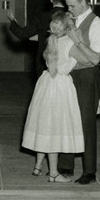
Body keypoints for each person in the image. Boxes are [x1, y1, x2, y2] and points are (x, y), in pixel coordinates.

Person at [22, 10, 90, 183]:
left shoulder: (50, 40)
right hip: (61, 86)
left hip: (46, 83)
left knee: (44, 124)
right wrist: (79, 39)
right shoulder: (70, 43)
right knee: (55, 127)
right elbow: (89, 60)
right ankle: (53, 172)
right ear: (69, 27)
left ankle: (38, 166)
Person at [57, 0, 100, 185]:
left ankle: (89, 171)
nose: (70, 9)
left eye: (73, 6)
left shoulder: (96, 23)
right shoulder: (72, 19)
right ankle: (66, 165)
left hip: (87, 76)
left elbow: (96, 58)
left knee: (86, 121)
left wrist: (77, 41)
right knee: (67, 118)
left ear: (84, 2)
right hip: (70, 74)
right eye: (68, 6)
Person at [6, 0, 67, 79]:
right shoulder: (69, 16)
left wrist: (12, 21)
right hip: (65, 61)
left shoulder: (42, 16)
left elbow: (23, 34)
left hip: (44, 61)